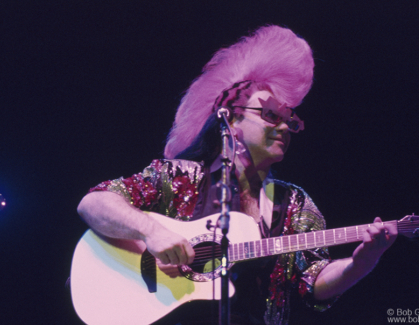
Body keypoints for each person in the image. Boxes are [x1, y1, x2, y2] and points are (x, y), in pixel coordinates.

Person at [77, 25, 397, 324]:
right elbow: (93, 204)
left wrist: (362, 263)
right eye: (271, 115)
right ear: (230, 120)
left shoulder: (295, 205)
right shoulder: (179, 176)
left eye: (291, 121)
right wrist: (152, 233)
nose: (284, 127)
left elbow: (313, 282)